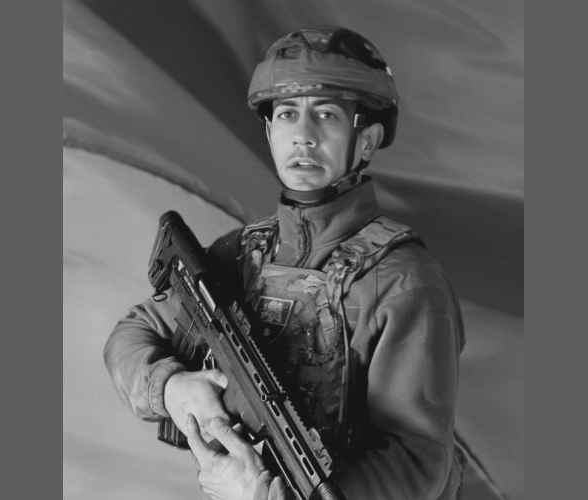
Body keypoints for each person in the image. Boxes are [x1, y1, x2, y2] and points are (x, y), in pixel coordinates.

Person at [104, 25, 467, 500]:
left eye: (327, 115)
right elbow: (132, 334)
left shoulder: (403, 281)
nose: (303, 136)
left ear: (367, 140)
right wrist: (172, 387)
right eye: (288, 114)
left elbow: (418, 461)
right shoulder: (238, 254)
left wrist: (266, 494)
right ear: (270, 131)